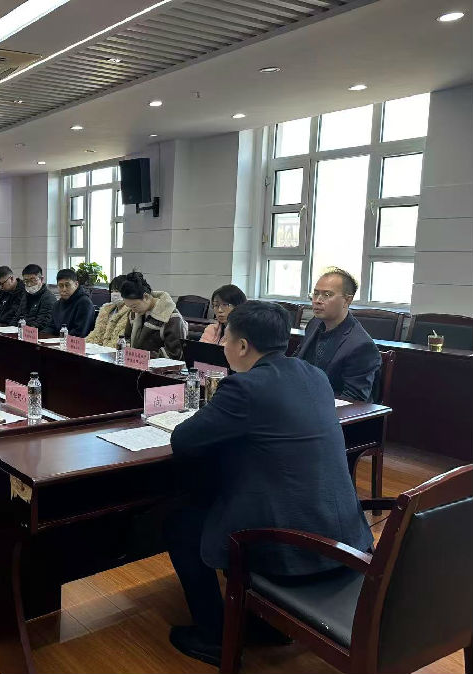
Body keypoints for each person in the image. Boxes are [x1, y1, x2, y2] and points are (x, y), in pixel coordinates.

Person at [164, 301, 374, 666]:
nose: (224, 346)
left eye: (226, 339)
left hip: (295, 549)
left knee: (180, 523)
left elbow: (183, 440)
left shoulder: (245, 387)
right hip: (345, 537)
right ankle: (263, 621)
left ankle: (214, 637)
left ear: (243, 345)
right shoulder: (314, 376)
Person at [296, 267, 381, 402]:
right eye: (315, 293)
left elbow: (354, 400)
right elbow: (296, 363)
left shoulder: (361, 346)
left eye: (327, 295)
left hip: (332, 409)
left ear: (347, 300)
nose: (317, 300)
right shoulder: (314, 324)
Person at [119, 271, 186, 358]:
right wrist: (126, 346)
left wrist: (143, 356)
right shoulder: (134, 313)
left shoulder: (170, 317)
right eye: (129, 307)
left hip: (159, 366)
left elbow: (174, 354)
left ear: (146, 297)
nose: (133, 310)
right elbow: (127, 337)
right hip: (136, 363)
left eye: (134, 306)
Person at [49, 268, 95, 337]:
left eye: (67, 285)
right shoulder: (57, 304)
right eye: (61, 286)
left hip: (76, 342)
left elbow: (79, 332)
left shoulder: (84, 303)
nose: (64, 289)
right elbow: (51, 327)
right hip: (58, 341)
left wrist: (59, 340)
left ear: (76, 284)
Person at [85, 274, 129, 347]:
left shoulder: (130, 313)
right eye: (112, 291)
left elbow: (119, 340)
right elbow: (96, 334)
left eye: (117, 291)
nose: (114, 294)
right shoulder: (106, 310)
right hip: (100, 349)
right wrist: (85, 345)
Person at [16, 263, 57, 331]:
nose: (29, 284)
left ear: (41, 279)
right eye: (26, 281)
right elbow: (17, 317)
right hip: (22, 331)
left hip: (37, 334)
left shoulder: (48, 298)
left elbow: (42, 323)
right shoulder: (25, 295)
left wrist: (26, 331)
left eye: (33, 280)